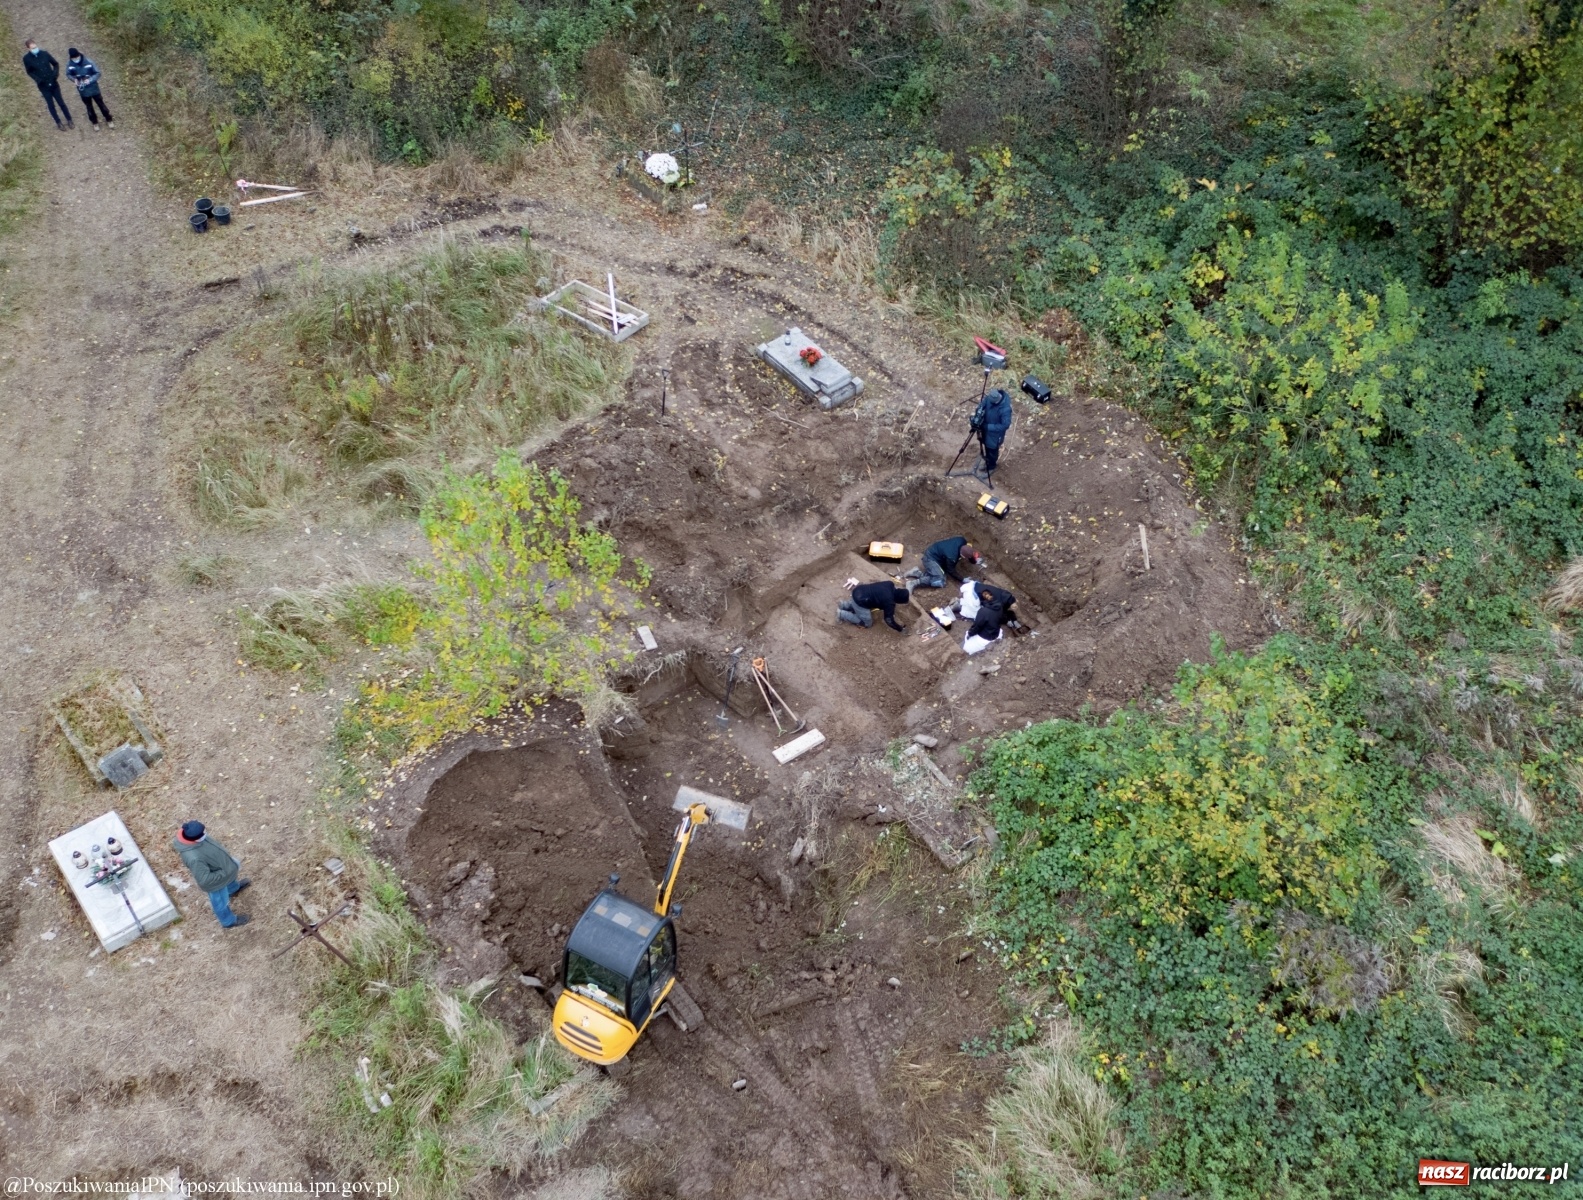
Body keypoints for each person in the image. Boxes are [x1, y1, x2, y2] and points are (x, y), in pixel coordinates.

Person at [171, 820, 251, 928]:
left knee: (230, 880)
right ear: (195, 838)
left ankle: (233, 889)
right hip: (215, 883)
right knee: (220, 902)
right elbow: (205, 880)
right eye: (203, 833)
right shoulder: (194, 858)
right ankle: (228, 921)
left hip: (223, 869)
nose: (205, 833)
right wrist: (225, 872)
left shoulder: (194, 837)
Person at [22, 40, 73, 130]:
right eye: (33, 48)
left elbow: (55, 64)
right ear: (28, 49)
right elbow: (29, 72)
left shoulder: (44, 54)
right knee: (51, 104)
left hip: (53, 82)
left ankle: (69, 119)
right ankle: (58, 122)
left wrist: (55, 74)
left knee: (61, 102)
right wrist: (38, 79)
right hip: (43, 85)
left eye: (36, 47)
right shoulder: (26, 59)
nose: (35, 49)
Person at [837, 576, 911, 632]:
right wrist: (900, 629)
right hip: (860, 601)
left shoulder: (890, 584)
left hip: (858, 591)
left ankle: (844, 605)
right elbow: (889, 620)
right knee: (867, 623)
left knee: (862, 602)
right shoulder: (889, 602)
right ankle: (841, 614)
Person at [906, 536, 983, 589]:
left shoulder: (962, 541)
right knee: (939, 581)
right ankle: (914, 583)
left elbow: (969, 554)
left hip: (938, 554)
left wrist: (974, 561)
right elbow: (951, 570)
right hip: (930, 558)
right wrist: (962, 579)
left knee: (939, 574)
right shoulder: (952, 556)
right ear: (962, 556)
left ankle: (917, 573)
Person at [972, 387, 1014, 482]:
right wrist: (979, 412)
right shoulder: (990, 397)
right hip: (985, 428)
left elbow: (1005, 425)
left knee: (992, 450)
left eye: (992, 402)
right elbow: (983, 404)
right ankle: (987, 461)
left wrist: (988, 427)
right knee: (986, 445)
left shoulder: (1005, 409)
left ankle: (991, 466)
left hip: (995, 435)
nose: (989, 401)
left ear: (997, 400)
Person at [65, 48, 112, 128]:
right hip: (83, 90)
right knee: (89, 107)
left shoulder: (89, 61)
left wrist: (90, 80)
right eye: (73, 58)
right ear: (71, 57)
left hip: (94, 88)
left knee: (101, 104)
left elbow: (98, 73)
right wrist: (74, 79)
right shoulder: (69, 64)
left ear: (79, 55)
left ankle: (109, 119)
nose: (75, 59)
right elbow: (68, 74)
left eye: (76, 57)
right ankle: (94, 122)